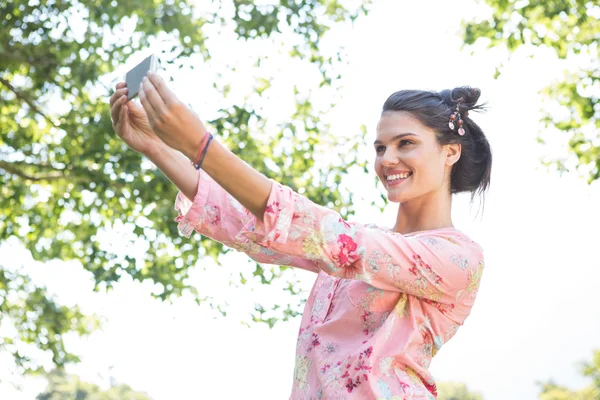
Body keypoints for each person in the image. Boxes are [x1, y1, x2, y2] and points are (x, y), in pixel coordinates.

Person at [109, 72, 491, 399]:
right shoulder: (350, 242)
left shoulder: (458, 257)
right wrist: (155, 146)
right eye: (380, 147)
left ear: (450, 153)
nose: (386, 159)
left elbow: (332, 238)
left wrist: (201, 145)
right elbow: (249, 225)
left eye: (405, 143)